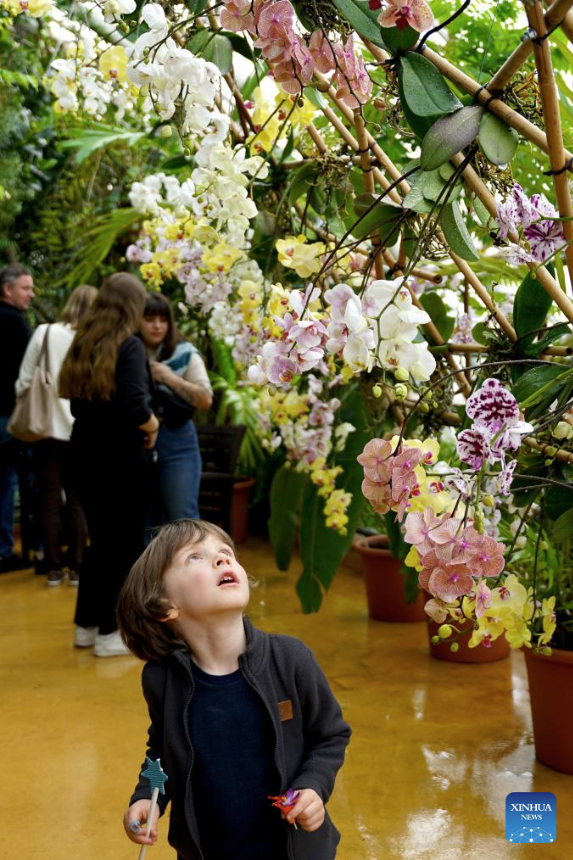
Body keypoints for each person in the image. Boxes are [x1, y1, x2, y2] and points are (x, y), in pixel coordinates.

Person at [118, 519, 350, 860]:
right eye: (195, 557)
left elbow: (331, 735)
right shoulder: (162, 679)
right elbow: (162, 753)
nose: (222, 559)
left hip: (293, 849)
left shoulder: (290, 659)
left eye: (226, 552)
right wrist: (146, 795)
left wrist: (313, 786)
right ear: (164, 605)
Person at [59, 273, 159, 657]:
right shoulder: (128, 346)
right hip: (120, 459)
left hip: (82, 454)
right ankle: (111, 632)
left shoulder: (85, 343)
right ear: (132, 306)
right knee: (125, 545)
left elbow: (74, 404)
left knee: (99, 543)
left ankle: (86, 627)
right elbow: (135, 404)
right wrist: (153, 426)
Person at [15, 285, 97, 586]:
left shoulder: (46, 333)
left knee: (49, 497)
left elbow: (24, 381)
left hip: (48, 429)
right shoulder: (96, 340)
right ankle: (77, 567)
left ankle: (53, 568)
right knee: (77, 500)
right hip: (84, 430)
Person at [139, 293, 212, 525]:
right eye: (150, 319)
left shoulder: (184, 353)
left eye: (163, 319)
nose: (157, 325)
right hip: (137, 441)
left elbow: (205, 399)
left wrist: (169, 378)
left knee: (183, 520)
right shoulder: (128, 351)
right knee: (142, 521)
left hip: (177, 439)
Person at [0, 263, 34, 573]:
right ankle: (8, 551)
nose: (31, 294)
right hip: (8, 418)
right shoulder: (16, 323)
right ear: (7, 289)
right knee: (9, 481)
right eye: (25, 288)